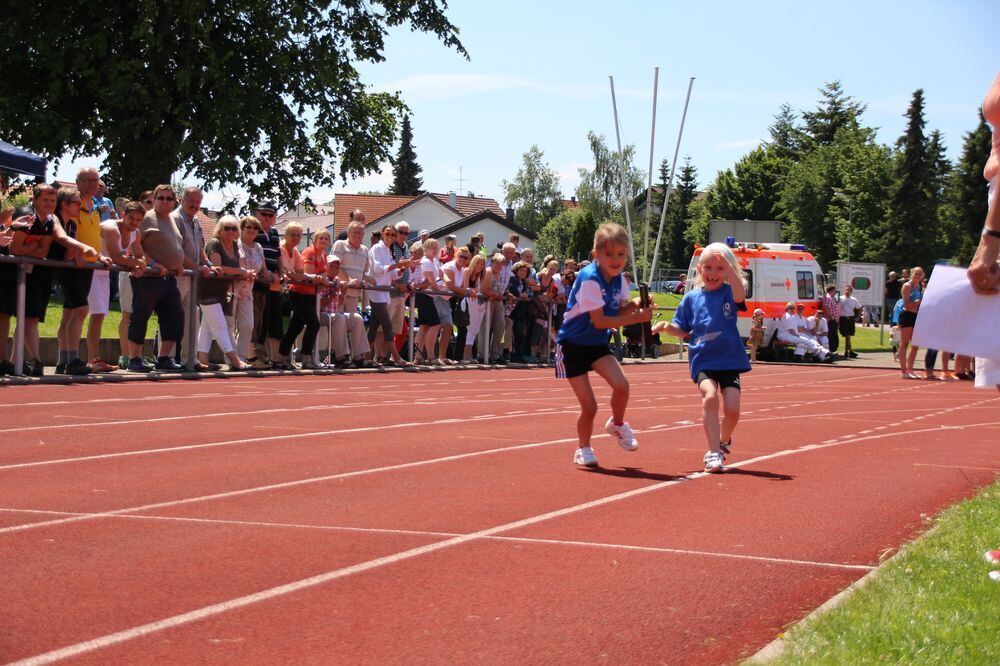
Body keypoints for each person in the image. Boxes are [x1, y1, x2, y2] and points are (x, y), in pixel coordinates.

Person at [556, 223, 651, 468]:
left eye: (621, 254)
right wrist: (636, 318)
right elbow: (600, 321)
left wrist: (637, 304)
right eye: (609, 254)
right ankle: (583, 448)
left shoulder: (618, 279)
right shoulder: (590, 280)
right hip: (573, 345)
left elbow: (617, 310)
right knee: (589, 406)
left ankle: (617, 423)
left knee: (622, 385)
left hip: (596, 343)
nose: (616, 260)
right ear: (596, 254)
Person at [654, 242, 750, 473]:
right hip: (704, 359)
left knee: (733, 410)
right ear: (699, 269)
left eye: (719, 269)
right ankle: (713, 453)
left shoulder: (729, 292)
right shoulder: (691, 298)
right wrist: (667, 326)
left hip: (729, 359)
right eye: (708, 268)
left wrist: (730, 269)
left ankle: (722, 441)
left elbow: (740, 293)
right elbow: (682, 328)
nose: (713, 274)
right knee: (709, 397)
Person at [125, 184, 186, 372]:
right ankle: (134, 358)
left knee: (175, 317)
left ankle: (164, 358)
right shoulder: (146, 219)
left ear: (175, 201)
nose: (165, 202)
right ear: (154, 199)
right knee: (140, 316)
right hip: (148, 277)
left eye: (169, 198)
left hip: (169, 279)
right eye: (161, 198)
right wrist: (151, 263)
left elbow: (173, 247)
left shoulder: (173, 220)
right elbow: (133, 245)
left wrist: (179, 264)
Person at [173, 186, 220, 369]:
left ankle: (190, 359)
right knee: (171, 317)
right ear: (182, 199)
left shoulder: (196, 221)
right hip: (178, 274)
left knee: (192, 317)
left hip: (192, 278)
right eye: (191, 200)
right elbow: (176, 251)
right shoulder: (175, 219)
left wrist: (208, 265)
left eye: (198, 202)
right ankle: (165, 359)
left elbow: (200, 250)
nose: (195, 205)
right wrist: (197, 267)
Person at [198, 216, 250, 371]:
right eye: (226, 228)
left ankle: (203, 359)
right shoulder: (214, 243)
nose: (230, 231)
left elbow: (237, 268)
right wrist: (242, 271)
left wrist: (245, 272)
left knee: (207, 326)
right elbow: (218, 267)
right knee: (220, 326)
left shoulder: (235, 245)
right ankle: (234, 360)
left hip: (222, 291)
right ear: (219, 230)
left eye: (234, 228)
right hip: (207, 290)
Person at [100, 202, 147, 370]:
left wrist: (137, 264)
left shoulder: (136, 233)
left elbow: (140, 255)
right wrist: (136, 264)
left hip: (106, 272)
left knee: (99, 314)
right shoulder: (111, 228)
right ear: (122, 214)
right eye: (131, 218)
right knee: (92, 315)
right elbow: (117, 257)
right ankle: (96, 358)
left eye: (138, 220)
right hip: (93, 270)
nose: (134, 223)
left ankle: (129, 356)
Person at [277, 223, 327, 369]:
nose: (296, 238)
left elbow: (300, 273)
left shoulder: (321, 255)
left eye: (299, 235)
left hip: (310, 294)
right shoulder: (309, 252)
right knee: (313, 324)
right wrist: (315, 277)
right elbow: (302, 274)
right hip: (298, 293)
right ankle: (306, 358)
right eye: (293, 234)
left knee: (295, 327)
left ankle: (283, 357)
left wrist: (321, 278)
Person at [367, 224, 413, 367]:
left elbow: (392, 275)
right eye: (388, 234)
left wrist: (401, 269)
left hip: (384, 292)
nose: (390, 237)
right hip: (376, 292)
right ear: (382, 234)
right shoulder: (377, 248)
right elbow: (377, 269)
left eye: (393, 235)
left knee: (374, 326)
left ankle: (367, 357)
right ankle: (396, 358)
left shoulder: (388, 250)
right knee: (387, 325)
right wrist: (397, 266)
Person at [249, 201, 283, 369]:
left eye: (271, 215)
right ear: (257, 213)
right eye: (264, 214)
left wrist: (280, 273)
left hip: (272, 283)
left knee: (268, 321)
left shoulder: (275, 233)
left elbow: (278, 255)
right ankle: (252, 356)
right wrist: (264, 272)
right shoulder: (253, 230)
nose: (268, 218)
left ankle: (262, 356)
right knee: (255, 320)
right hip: (256, 282)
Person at [234, 216, 268, 362]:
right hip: (232, 289)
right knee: (229, 325)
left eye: (255, 228)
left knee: (248, 325)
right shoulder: (236, 244)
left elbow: (263, 269)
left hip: (248, 291)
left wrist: (268, 274)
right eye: (248, 227)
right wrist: (245, 272)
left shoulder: (258, 247)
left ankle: (241, 358)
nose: (252, 230)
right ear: (242, 228)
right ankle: (231, 358)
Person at [897, 266, 924, 379]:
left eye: (920, 274)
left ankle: (910, 369)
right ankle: (904, 371)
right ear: (911, 274)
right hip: (907, 315)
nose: (917, 276)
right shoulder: (907, 286)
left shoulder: (919, 287)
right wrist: (918, 302)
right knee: (904, 343)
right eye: (916, 273)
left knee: (915, 344)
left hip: (916, 316)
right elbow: (906, 305)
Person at [462, 253, 487, 363]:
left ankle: (470, 355)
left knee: (475, 330)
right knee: (471, 329)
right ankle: (466, 356)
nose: (480, 266)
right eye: (478, 263)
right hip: (468, 302)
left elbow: (480, 289)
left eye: (482, 264)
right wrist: (475, 289)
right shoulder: (467, 271)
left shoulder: (481, 275)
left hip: (479, 303)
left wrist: (476, 289)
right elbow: (466, 288)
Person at [838, 284, 861, 359]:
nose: (847, 292)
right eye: (846, 290)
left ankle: (849, 351)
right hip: (843, 318)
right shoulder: (840, 298)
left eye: (849, 290)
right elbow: (835, 305)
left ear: (851, 292)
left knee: (849, 335)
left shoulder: (853, 299)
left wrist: (857, 317)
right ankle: (848, 351)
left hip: (850, 318)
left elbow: (859, 307)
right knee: (846, 335)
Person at [820, 284, 840, 355]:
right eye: (834, 290)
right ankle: (830, 350)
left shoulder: (832, 298)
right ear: (831, 290)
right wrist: (831, 317)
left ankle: (832, 350)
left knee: (834, 335)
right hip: (830, 320)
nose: (835, 292)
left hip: (833, 319)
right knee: (831, 335)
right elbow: (825, 307)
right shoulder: (827, 298)